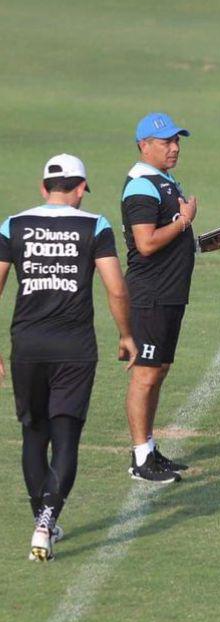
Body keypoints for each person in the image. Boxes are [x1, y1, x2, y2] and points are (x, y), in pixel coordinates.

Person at [0, 155, 136, 561]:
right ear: (80, 189)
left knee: (33, 433)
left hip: (27, 345)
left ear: (44, 188)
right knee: (65, 436)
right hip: (74, 348)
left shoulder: (13, 225)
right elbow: (116, 289)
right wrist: (127, 334)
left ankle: (43, 521)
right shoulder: (94, 225)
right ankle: (47, 521)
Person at [121, 113, 220, 483]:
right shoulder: (141, 186)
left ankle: (149, 449)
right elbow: (146, 243)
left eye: (177, 140)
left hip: (169, 294)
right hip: (150, 296)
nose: (175, 147)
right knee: (146, 375)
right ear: (144, 145)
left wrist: (199, 245)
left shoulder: (163, 181)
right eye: (167, 142)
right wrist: (184, 222)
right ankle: (140, 458)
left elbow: (166, 243)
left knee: (159, 372)